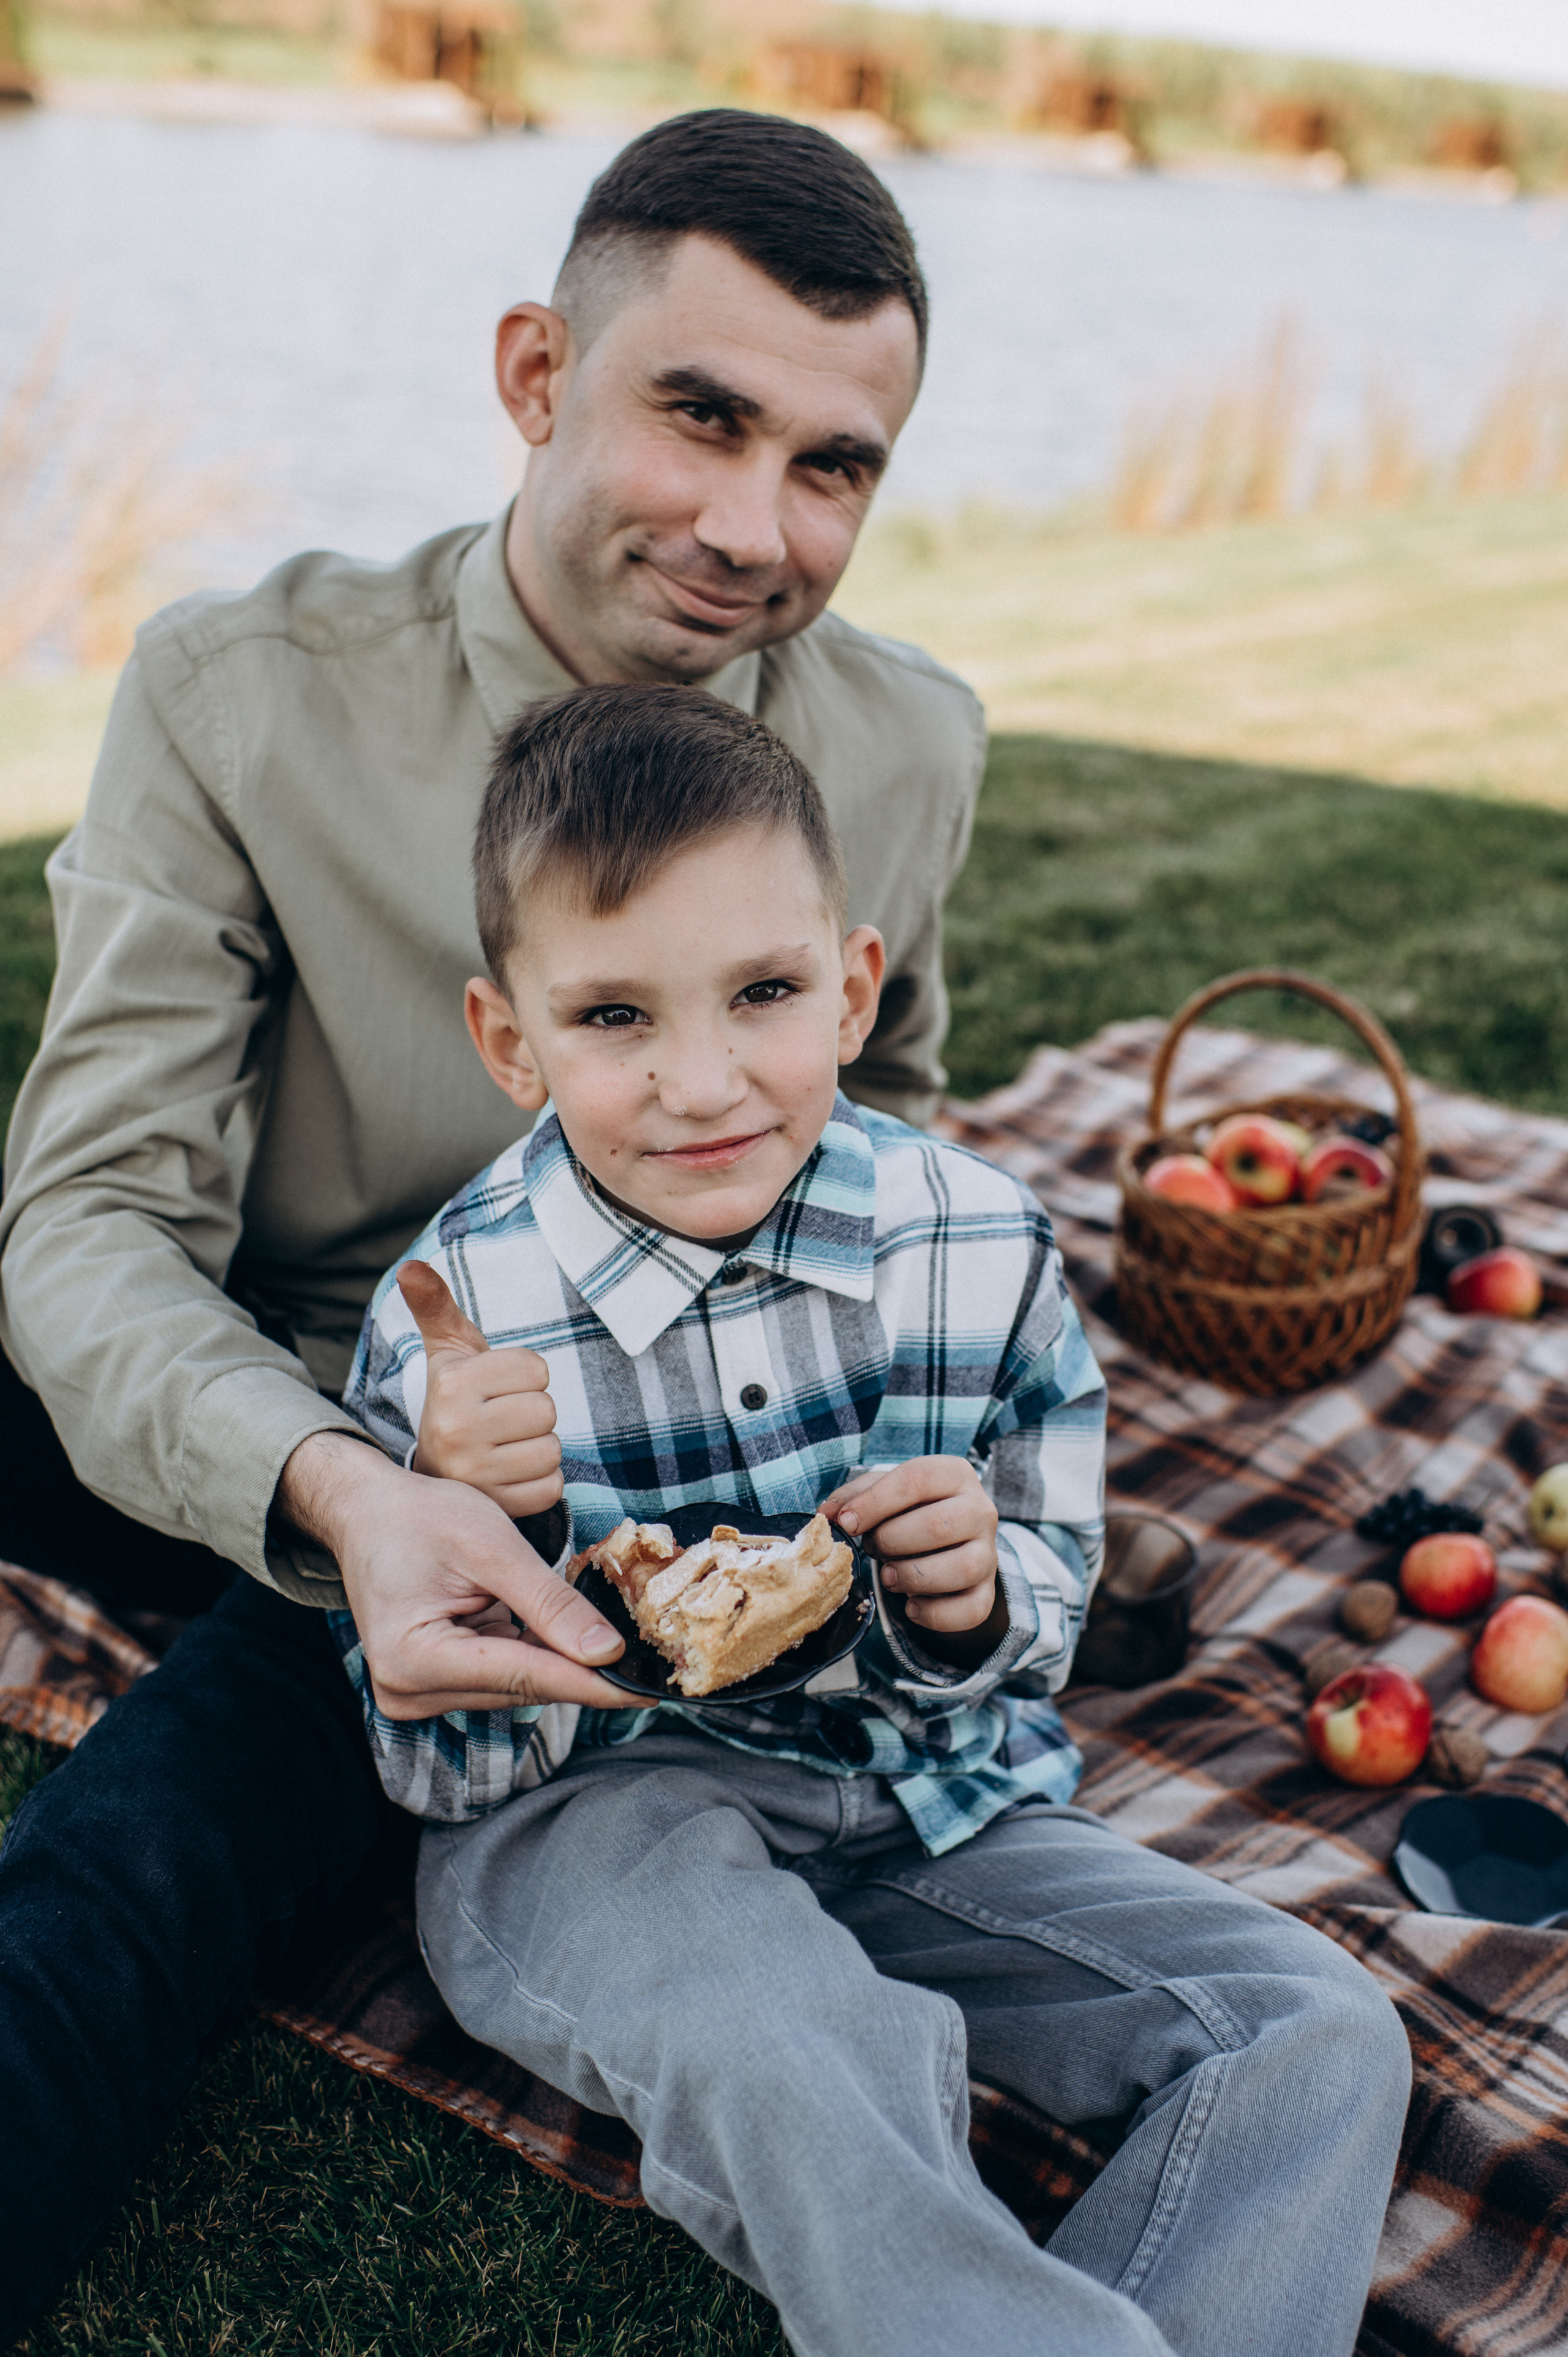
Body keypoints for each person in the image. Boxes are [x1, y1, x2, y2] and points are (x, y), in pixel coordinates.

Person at [0, 112, 984, 2344]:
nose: (755, 530)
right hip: (277, 1404)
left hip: (592, 1486)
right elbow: (90, 1215)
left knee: (123, 1891)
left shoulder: (912, 748)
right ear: (538, 372)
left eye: (834, 465)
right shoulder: (239, 693)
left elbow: (892, 1131)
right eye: (701, 415)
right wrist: (343, 1490)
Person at [333, 682, 1409, 2357]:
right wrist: (486, 1522)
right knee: (801, 2052)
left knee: (1318, 2032)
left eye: (762, 994)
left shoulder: (977, 1242)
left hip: (929, 1796)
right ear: (509, 1040)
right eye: (614, 1016)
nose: (701, 1081)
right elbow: (438, 1770)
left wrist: (977, 1599)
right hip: (600, 1824)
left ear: (852, 991)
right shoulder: (453, 1330)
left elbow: (1048, 1588)